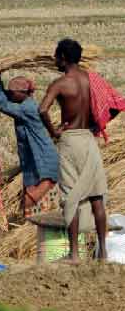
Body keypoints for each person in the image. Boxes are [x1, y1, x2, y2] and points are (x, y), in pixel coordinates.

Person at [39, 38, 112, 260]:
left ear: (63, 57)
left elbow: (42, 109)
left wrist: (53, 132)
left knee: (72, 196)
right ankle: (103, 252)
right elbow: (116, 103)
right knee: (97, 197)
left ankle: (74, 254)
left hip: (70, 141)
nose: (54, 60)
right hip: (89, 139)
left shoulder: (60, 83)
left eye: (56, 56)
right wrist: (97, 124)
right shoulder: (93, 80)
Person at [0, 66, 59, 216]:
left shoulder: (27, 108)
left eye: (12, 93)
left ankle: (28, 226)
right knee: (35, 199)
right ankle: (31, 226)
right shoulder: (25, 102)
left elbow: (2, 104)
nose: (10, 95)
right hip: (35, 160)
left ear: (22, 93)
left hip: (43, 161)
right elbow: (5, 97)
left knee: (34, 199)